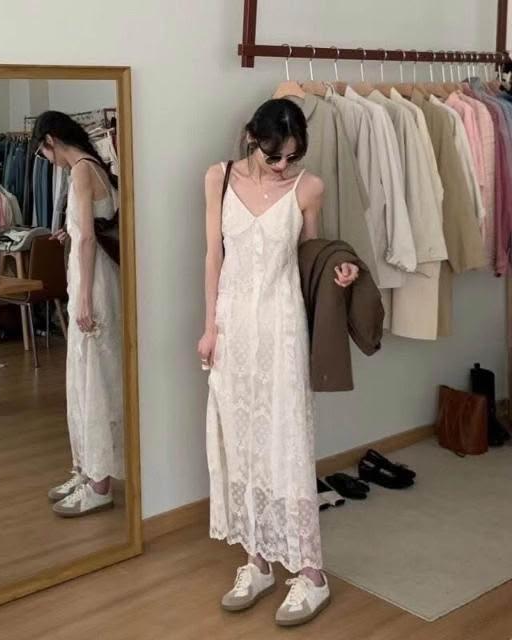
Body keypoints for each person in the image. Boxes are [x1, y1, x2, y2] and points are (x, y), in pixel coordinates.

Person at [198, 99, 359, 626]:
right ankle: (257, 561)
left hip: (283, 327)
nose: (284, 166)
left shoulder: (308, 188)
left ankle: (312, 574)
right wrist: (209, 328)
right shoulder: (218, 179)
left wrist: (340, 274)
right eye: (275, 157)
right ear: (253, 138)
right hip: (234, 329)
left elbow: (311, 258)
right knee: (241, 442)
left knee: (287, 445)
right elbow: (213, 256)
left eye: (293, 157)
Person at [31, 111, 124, 517]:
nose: (45, 159)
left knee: (93, 379)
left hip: (94, 283)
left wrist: (84, 297)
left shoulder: (82, 171)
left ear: (51, 140)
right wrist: (69, 231)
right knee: (88, 375)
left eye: (43, 151)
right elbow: (94, 227)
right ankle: (87, 469)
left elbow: (88, 238)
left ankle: (99, 483)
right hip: (96, 277)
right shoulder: (93, 166)